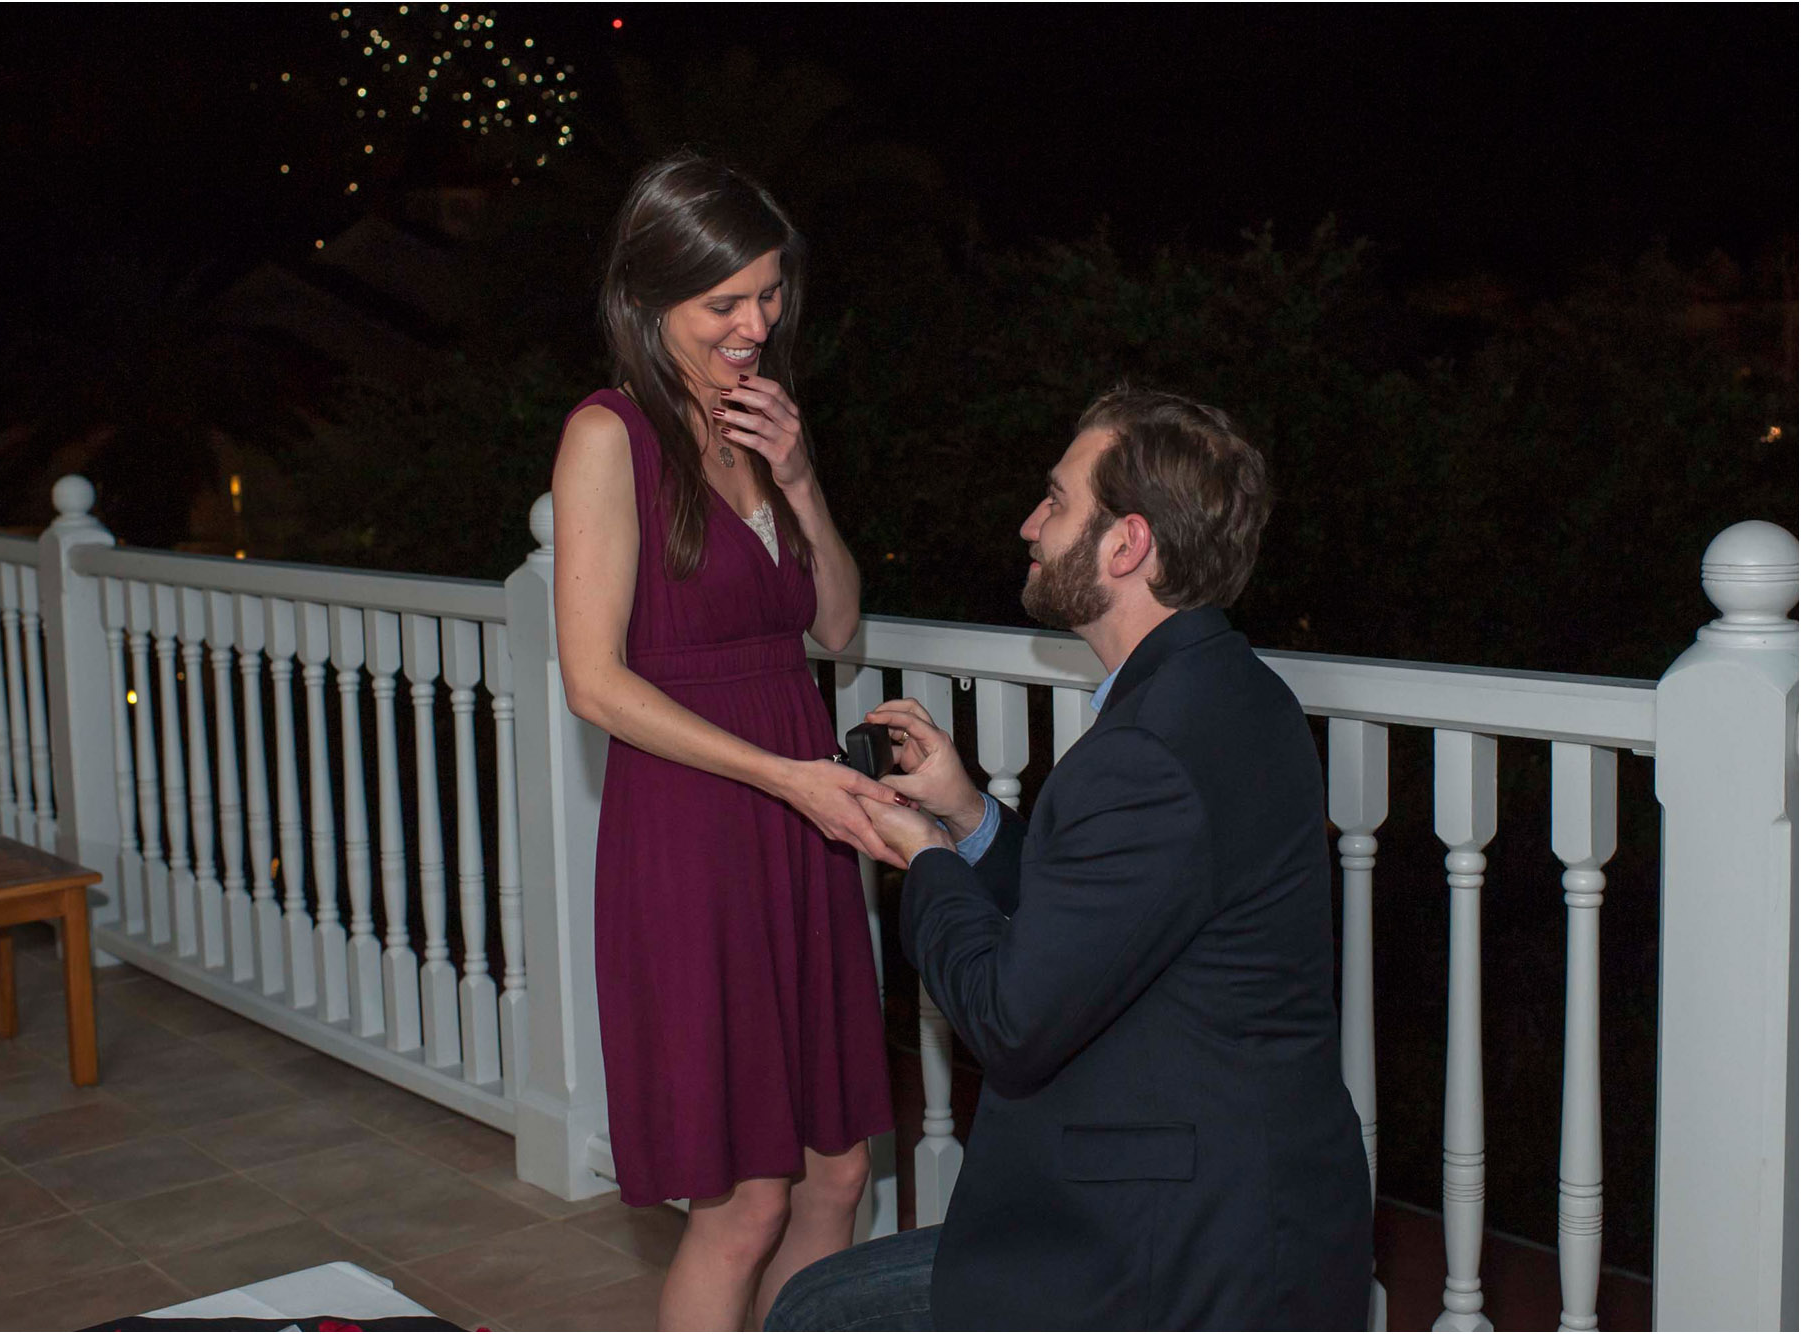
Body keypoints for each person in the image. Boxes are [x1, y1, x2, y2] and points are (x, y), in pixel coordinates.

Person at [765, 386, 1373, 1330]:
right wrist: (968, 817)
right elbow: (1102, 924)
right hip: (1220, 1191)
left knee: (818, 1316)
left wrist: (923, 859)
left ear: (1127, 545)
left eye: (1055, 500)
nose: (1030, 524)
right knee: (821, 1299)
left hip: (1175, 1244)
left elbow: (1011, 1019)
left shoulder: (1148, 751)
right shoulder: (1235, 694)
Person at [551, 152, 903, 1331]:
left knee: (838, 1169)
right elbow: (594, 682)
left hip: (797, 824)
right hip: (699, 828)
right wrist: (784, 776)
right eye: (725, 302)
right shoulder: (608, 435)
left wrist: (799, 480)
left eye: (769, 291)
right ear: (648, 302)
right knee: (744, 1201)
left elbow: (838, 625)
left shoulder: (760, 428)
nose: (757, 322)